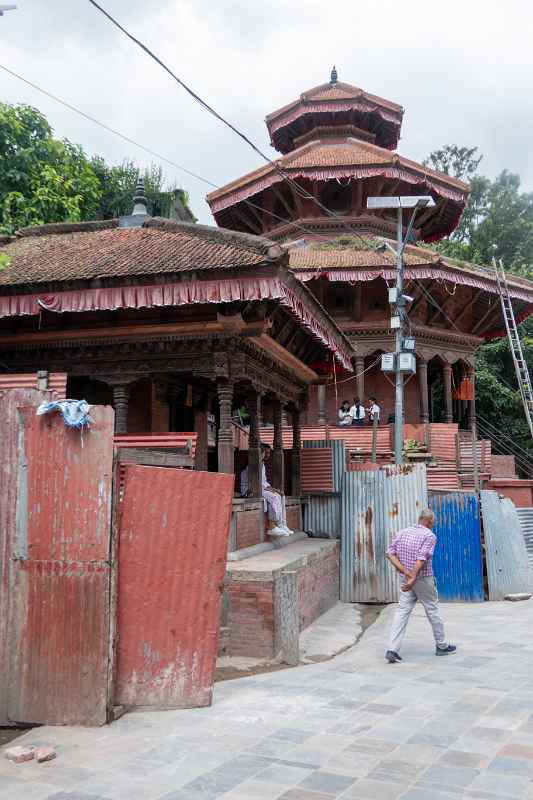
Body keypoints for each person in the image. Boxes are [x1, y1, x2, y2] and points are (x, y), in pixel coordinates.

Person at [385, 508, 456, 663]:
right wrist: (413, 576)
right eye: (433, 522)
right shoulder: (429, 536)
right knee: (432, 610)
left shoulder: (402, 532)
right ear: (429, 521)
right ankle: (441, 646)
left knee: (402, 611)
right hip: (423, 579)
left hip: (406, 580)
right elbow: (421, 558)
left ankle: (392, 649)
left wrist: (406, 573)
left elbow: (390, 553)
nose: (433, 525)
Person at [240, 443, 292, 537]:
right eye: (265, 453)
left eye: (268, 453)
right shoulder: (253, 465)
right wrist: (272, 490)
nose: (267, 455)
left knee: (280, 496)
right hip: (249, 491)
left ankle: (281, 524)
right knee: (273, 497)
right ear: (260, 453)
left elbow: (263, 482)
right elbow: (256, 483)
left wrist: (273, 489)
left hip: (260, 488)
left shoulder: (262, 464)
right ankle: (272, 526)